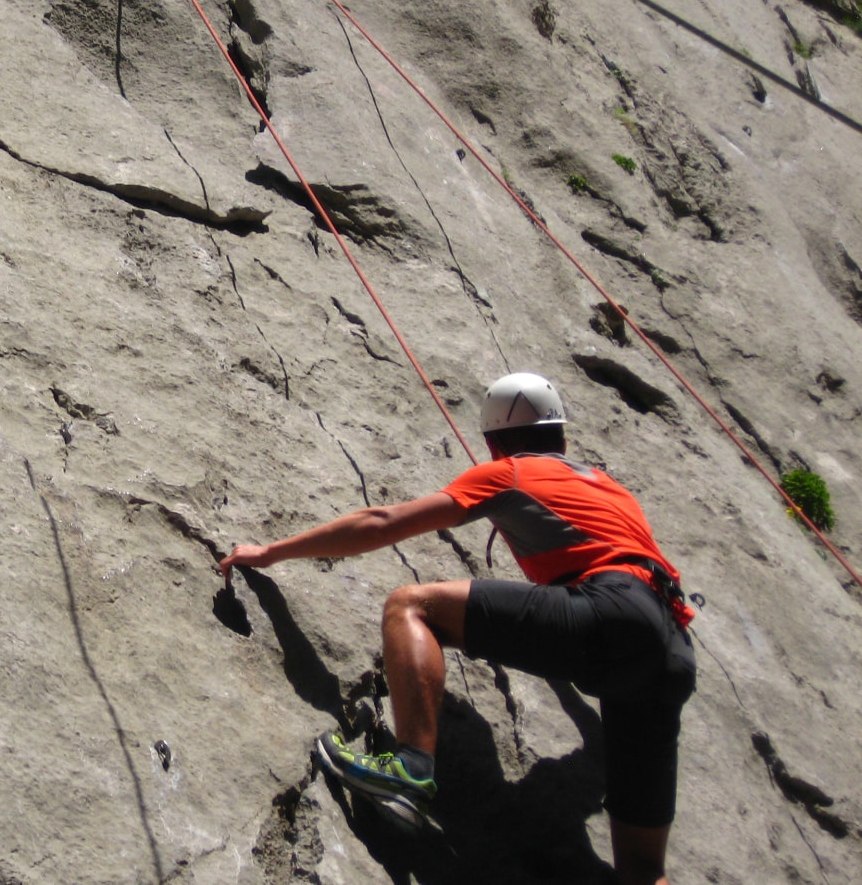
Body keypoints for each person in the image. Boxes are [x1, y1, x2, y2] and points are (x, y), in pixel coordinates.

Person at [220, 373, 696, 885]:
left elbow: (382, 521)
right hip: (670, 648)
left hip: (604, 611)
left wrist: (270, 553)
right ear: (562, 437)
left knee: (412, 606)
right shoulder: (613, 491)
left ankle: (410, 772)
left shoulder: (509, 473)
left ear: (493, 443)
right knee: (644, 870)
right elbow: (619, 615)